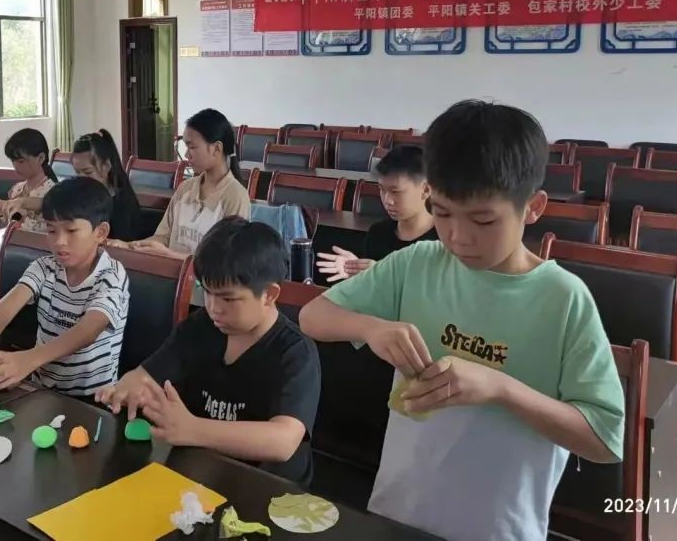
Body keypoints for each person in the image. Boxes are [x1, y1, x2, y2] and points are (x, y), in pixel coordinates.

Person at [298, 100, 624, 541]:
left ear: (533, 207)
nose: (457, 236)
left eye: (483, 220)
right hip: (400, 507)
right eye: (443, 212)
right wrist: (370, 328)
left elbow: (604, 439)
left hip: (499, 527)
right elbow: (313, 316)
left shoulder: (563, 298)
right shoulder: (417, 263)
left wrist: (500, 388)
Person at [97, 217, 321, 485]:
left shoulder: (295, 352)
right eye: (207, 292)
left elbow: (283, 441)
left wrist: (192, 429)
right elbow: (145, 375)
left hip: (266, 487)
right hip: (200, 474)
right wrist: (127, 387)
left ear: (269, 294)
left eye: (228, 298)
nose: (214, 307)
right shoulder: (200, 327)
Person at [0, 177, 129, 396]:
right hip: (42, 389)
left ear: (100, 232)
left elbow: (89, 330)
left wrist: (28, 359)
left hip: (92, 399)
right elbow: (3, 308)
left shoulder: (112, 275)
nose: (60, 241)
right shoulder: (45, 266)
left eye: (71, 231)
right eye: (52, 231)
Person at [116, 109, 249, 259]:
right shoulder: (185, 189)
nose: (186, 155)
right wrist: (128, 246)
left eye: (192, 147)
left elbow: (223, 263)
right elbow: (162, 238)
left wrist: (170, 255)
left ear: (216, 148)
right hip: (168, 271)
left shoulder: (236, 196)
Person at [317, 145, 438, 281]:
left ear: (425, 190)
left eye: (396, 192)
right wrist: (358, 273)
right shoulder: (378, 233)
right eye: (382, 189)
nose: (387, 200)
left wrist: (381, 274)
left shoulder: (444, 239)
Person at [0, 128, 58, 231]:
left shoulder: (53, 193)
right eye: (13, 161)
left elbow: (47, 231)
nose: (16, 166)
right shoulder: (17, 189)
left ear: (40, 158)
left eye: (21, 161)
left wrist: (17, 216)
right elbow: (6, 226)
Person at [70, 129, 142, 241]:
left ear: (107, 166)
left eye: (88, 172)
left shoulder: (121, 205)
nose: (81, 178)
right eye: (77, 172)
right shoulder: (79, 197)